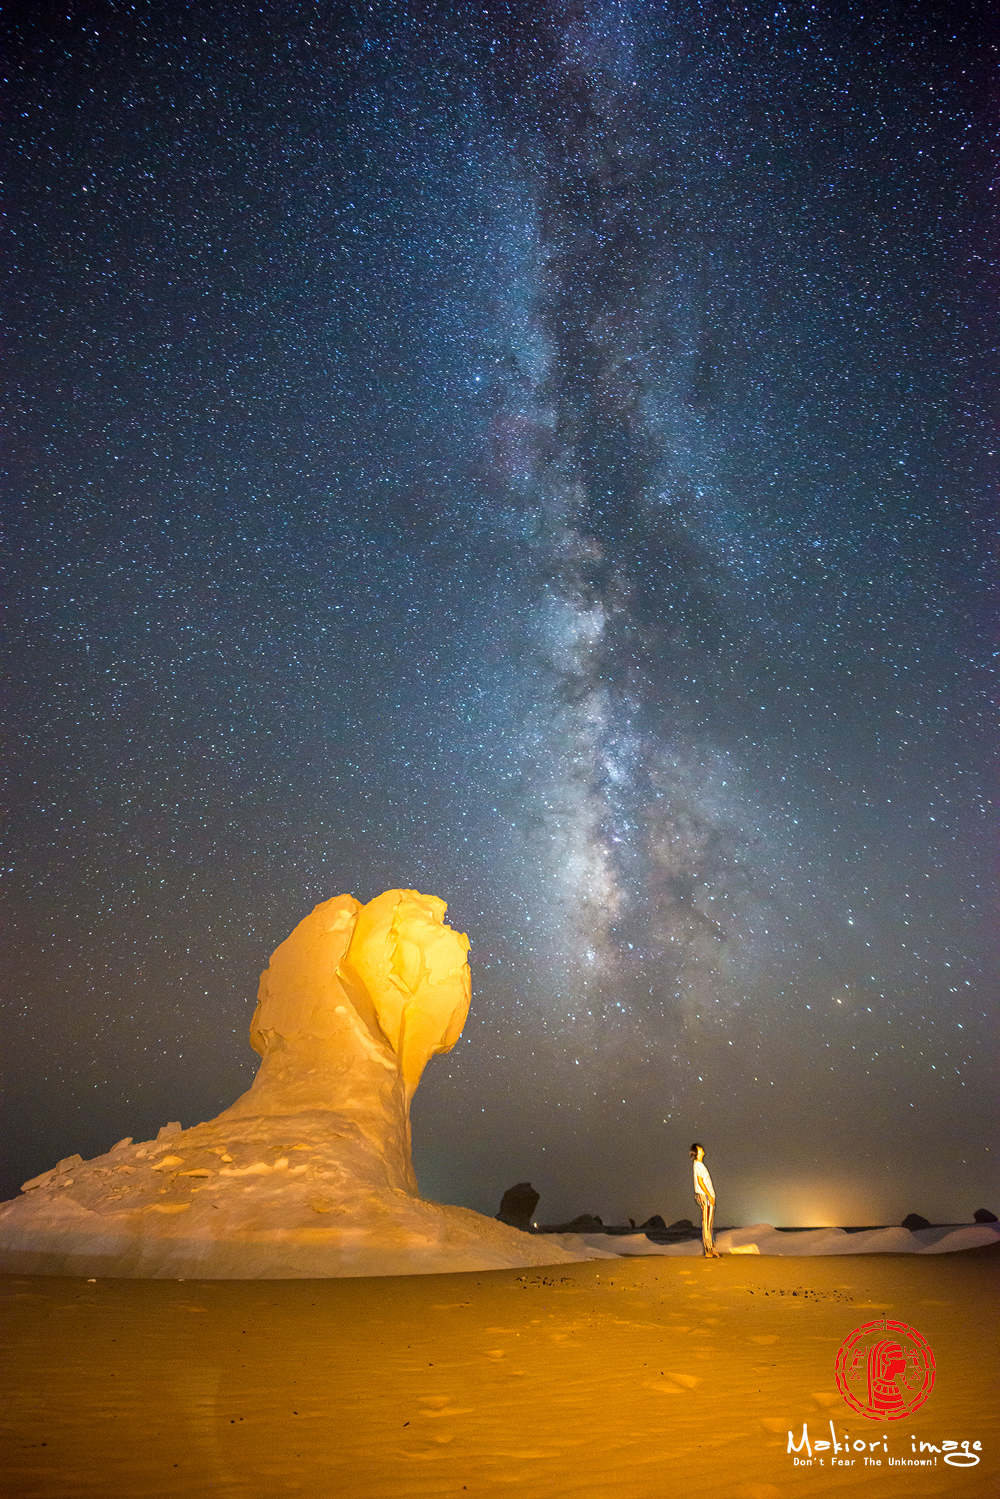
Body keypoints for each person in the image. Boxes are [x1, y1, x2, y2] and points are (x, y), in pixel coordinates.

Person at [690, 1142, 720, 1257]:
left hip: (706, 1195)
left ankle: (711, 1249)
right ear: (696, 1152)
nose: (702, 1150)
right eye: (700, 1149)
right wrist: (709, 1195)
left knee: (709, 1223)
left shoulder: (700, 1165)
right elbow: (700, 1182)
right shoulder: (698, 1165)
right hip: (705, 1196)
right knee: (707, 1223)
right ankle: (708, 1250)